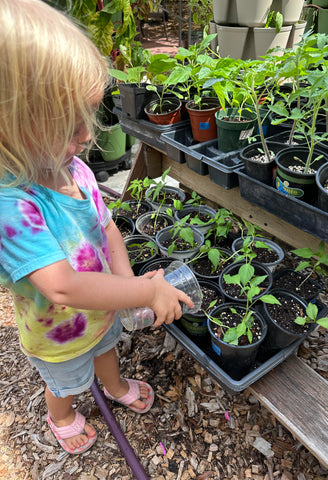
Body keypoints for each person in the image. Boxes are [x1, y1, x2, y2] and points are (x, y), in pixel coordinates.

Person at [0, 0, 193, 455]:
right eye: (69, 127)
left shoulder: (75, 170)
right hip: (58, 334)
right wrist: (146, 293)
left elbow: (107, 230)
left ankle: (114, 385)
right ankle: (61, 416)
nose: (87, 137)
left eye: (85, 119)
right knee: (65, 380)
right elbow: (62, 288)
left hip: (102, 309)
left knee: (108, 347)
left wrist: (126, 285)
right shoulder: (11, 208)